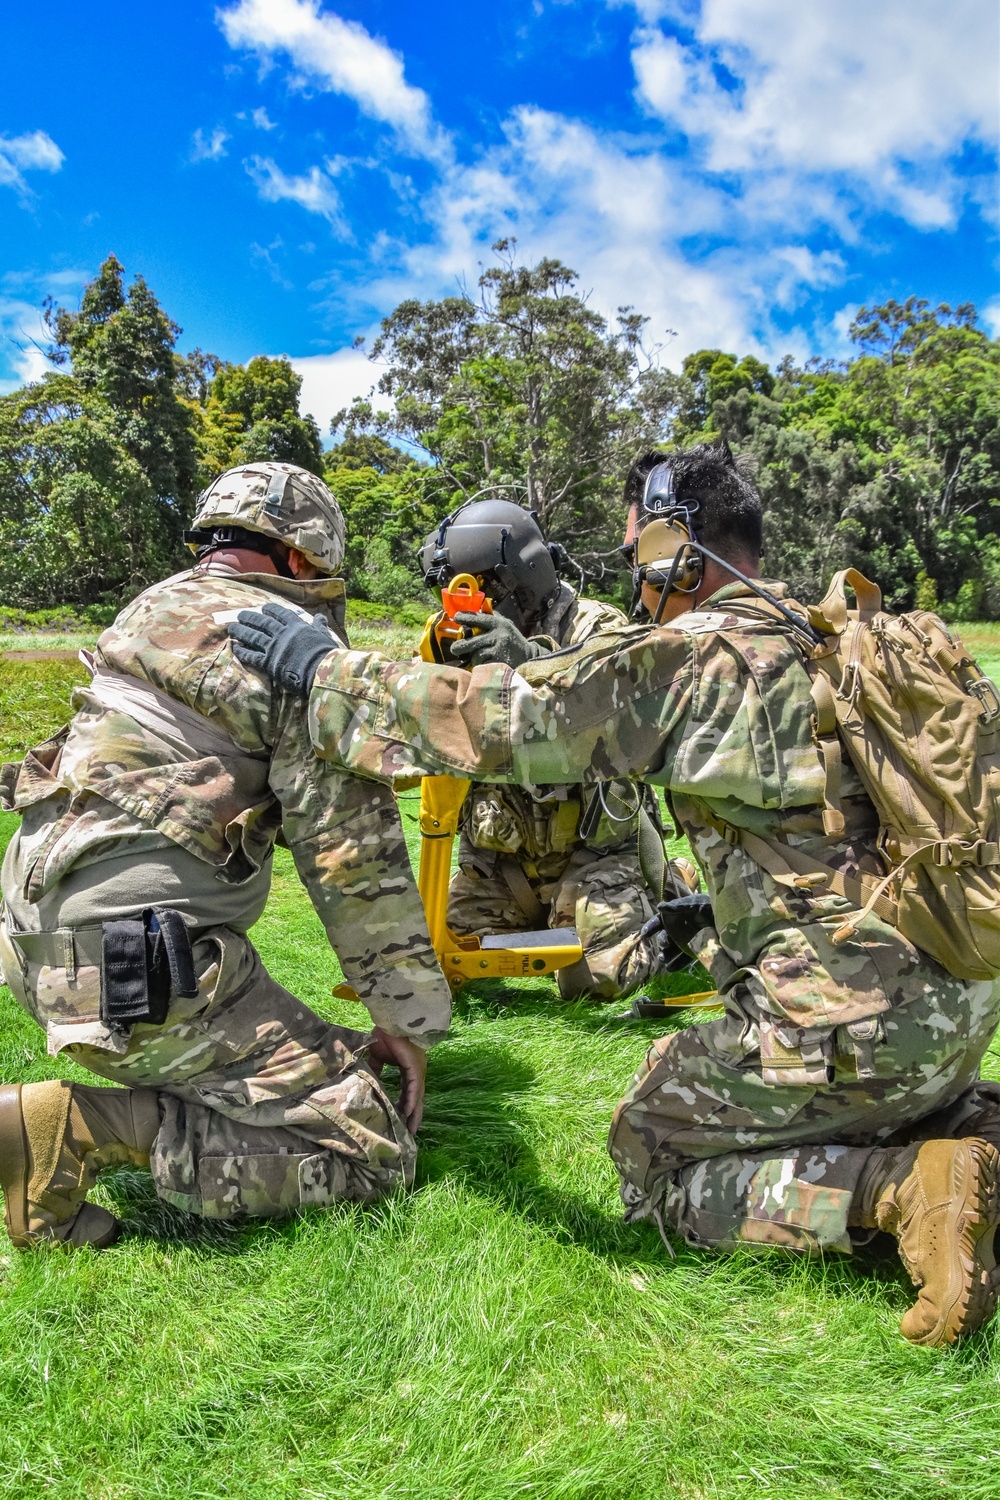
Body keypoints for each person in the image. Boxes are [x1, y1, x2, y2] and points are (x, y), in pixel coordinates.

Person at [229, 441, 1000, 1346]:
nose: (635, 588)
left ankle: (898, 1195)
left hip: (846, 1029)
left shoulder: (704, 658)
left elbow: (506, 726)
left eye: (639, 557)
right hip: (958, 1009)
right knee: (871, 1072)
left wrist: (318, 669)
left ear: (680, 549)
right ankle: (965, 1138)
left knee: (651, 1147)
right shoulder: (834, 635)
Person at [0, 461, 451, 1250]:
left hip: (32, 941)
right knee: (372, 1147)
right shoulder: (290, 651)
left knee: (332, 1065)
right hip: (139, 971)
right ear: (305, 560)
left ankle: (116, 1110)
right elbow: (355, 863)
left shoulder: (151, 611)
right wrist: (407, 1020)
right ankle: (71, 1128)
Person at [420, 497, 697, 999]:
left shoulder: (597, 625)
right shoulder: (455, 642)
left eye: (481, 588)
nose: (469, 604)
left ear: (518, 577)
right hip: (501, 866)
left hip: (596, 855)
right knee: (445, 969)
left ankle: (671, 884)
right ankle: (556, 919)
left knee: (595, 978)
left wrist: (528, 661)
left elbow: (624, 710)